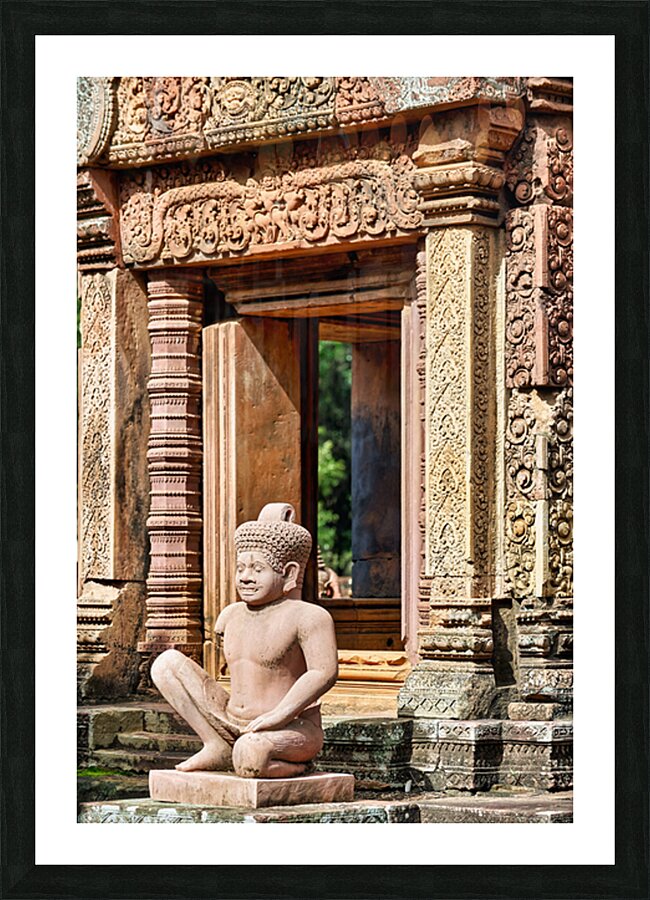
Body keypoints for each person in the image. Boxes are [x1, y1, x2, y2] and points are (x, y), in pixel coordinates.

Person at [151, 503, 338, 778]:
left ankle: (296, 765)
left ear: (288, 573)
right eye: (241, 568)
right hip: (229, 720)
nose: (246, 577)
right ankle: (215, 743)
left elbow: (324, 672)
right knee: (165, 664)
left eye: (257, 569)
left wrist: (279, 716)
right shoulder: (231, 615)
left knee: (249, 756)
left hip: (289, 727)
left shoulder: (309, 616)